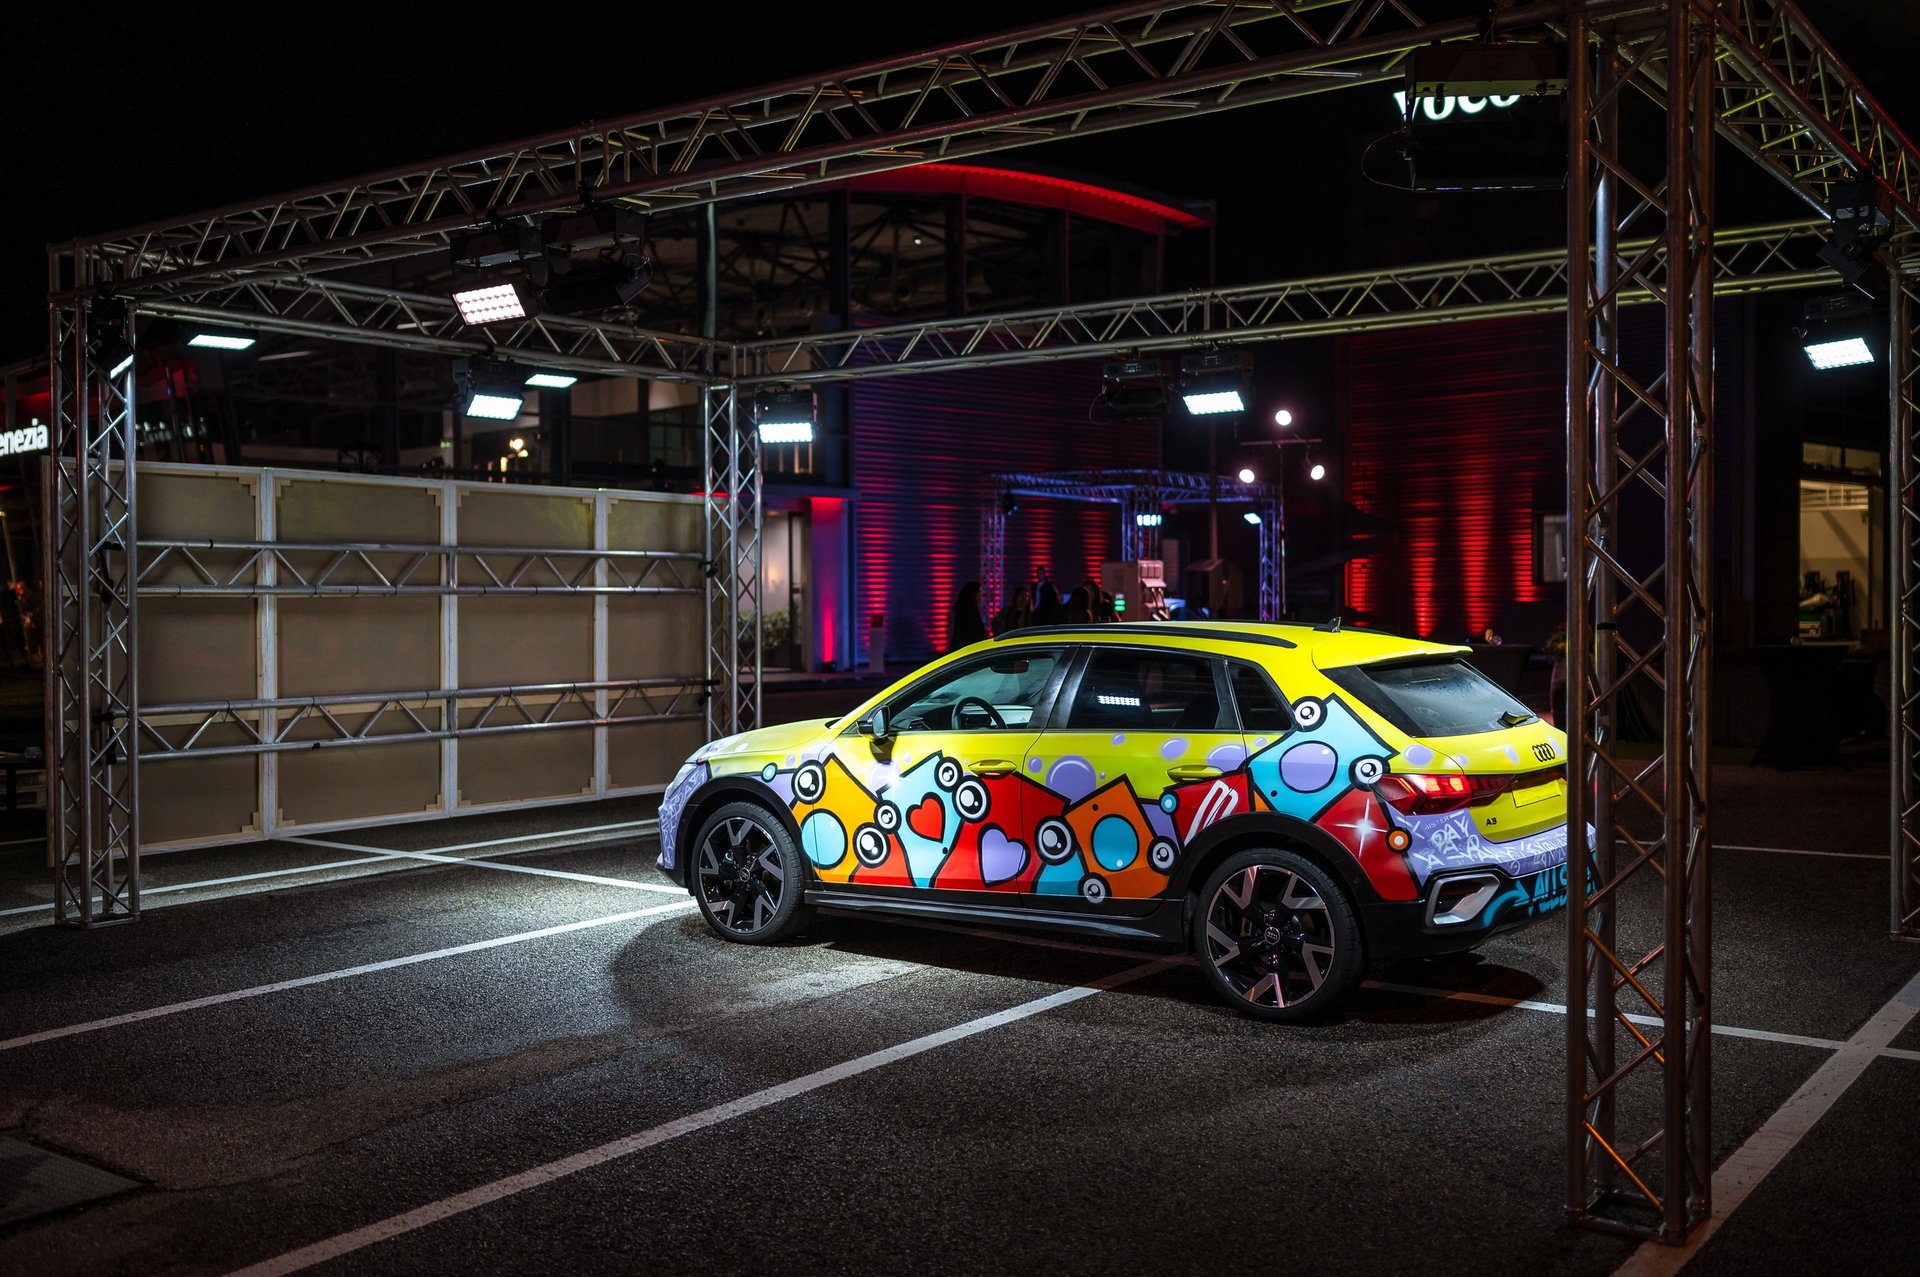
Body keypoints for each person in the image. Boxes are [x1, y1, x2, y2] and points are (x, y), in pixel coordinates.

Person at [946, 581, 988, 651]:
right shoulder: (970, 612)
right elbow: (975, 632)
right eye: (979, 593)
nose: (980, 597)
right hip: (970, 649)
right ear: (974, 594)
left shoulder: (960, 610)